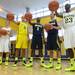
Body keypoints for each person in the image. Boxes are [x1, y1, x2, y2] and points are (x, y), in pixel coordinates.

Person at [56, 4, 75, 71]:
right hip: (66, 31)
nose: (66, 7)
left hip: (73, 29)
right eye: (65, 6)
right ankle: (73, 65)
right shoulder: (64, 15)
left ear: (70, 7)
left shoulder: (73, 13)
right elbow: (57, 15)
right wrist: (55, 9)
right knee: (68, 48)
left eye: (67, 6)